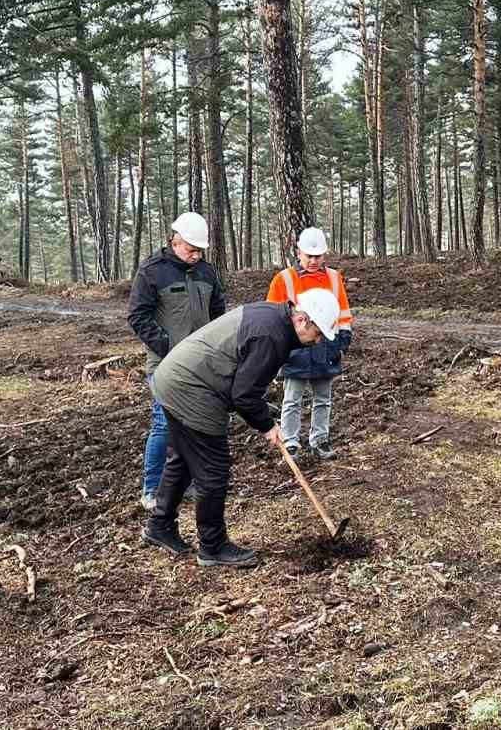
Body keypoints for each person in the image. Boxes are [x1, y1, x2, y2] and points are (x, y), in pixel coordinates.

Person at [143, 289, 341, 568]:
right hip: (191, 387)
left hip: (174, 378)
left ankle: (159, 525)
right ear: (302, 320)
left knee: (183, 460)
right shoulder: (271, 336)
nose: (318, 341)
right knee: (213, 468)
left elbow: (244, 385)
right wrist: (267, 425)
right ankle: (212, 547)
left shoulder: (274, 319)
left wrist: (264, 419)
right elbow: (244, 395)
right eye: (318, 333)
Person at [127, 213, 226, 511]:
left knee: (195, 424)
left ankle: (190, 482)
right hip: (165, 365)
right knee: (164, 425)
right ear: (176, 241)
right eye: (191, 250)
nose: (196, 256)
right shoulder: (152, 271)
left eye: (200, 251)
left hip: (201, 365)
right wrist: (167, 347)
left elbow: (218, 314)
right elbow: (138, 317)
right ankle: (152, 488)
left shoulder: (207, 273)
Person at [266, 227, 354, 461]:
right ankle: (291, 443)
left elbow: (343, 310)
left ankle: (320, 440)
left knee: (323, 398)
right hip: (295, 347)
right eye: (309, 256)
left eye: (318, 256)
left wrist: (344, 335)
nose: (314, 261)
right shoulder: (283, 279)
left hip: (325, 345)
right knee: (292, 398)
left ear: (325, 254)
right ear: (298, 252)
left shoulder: (334, 278)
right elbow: (272, 315)